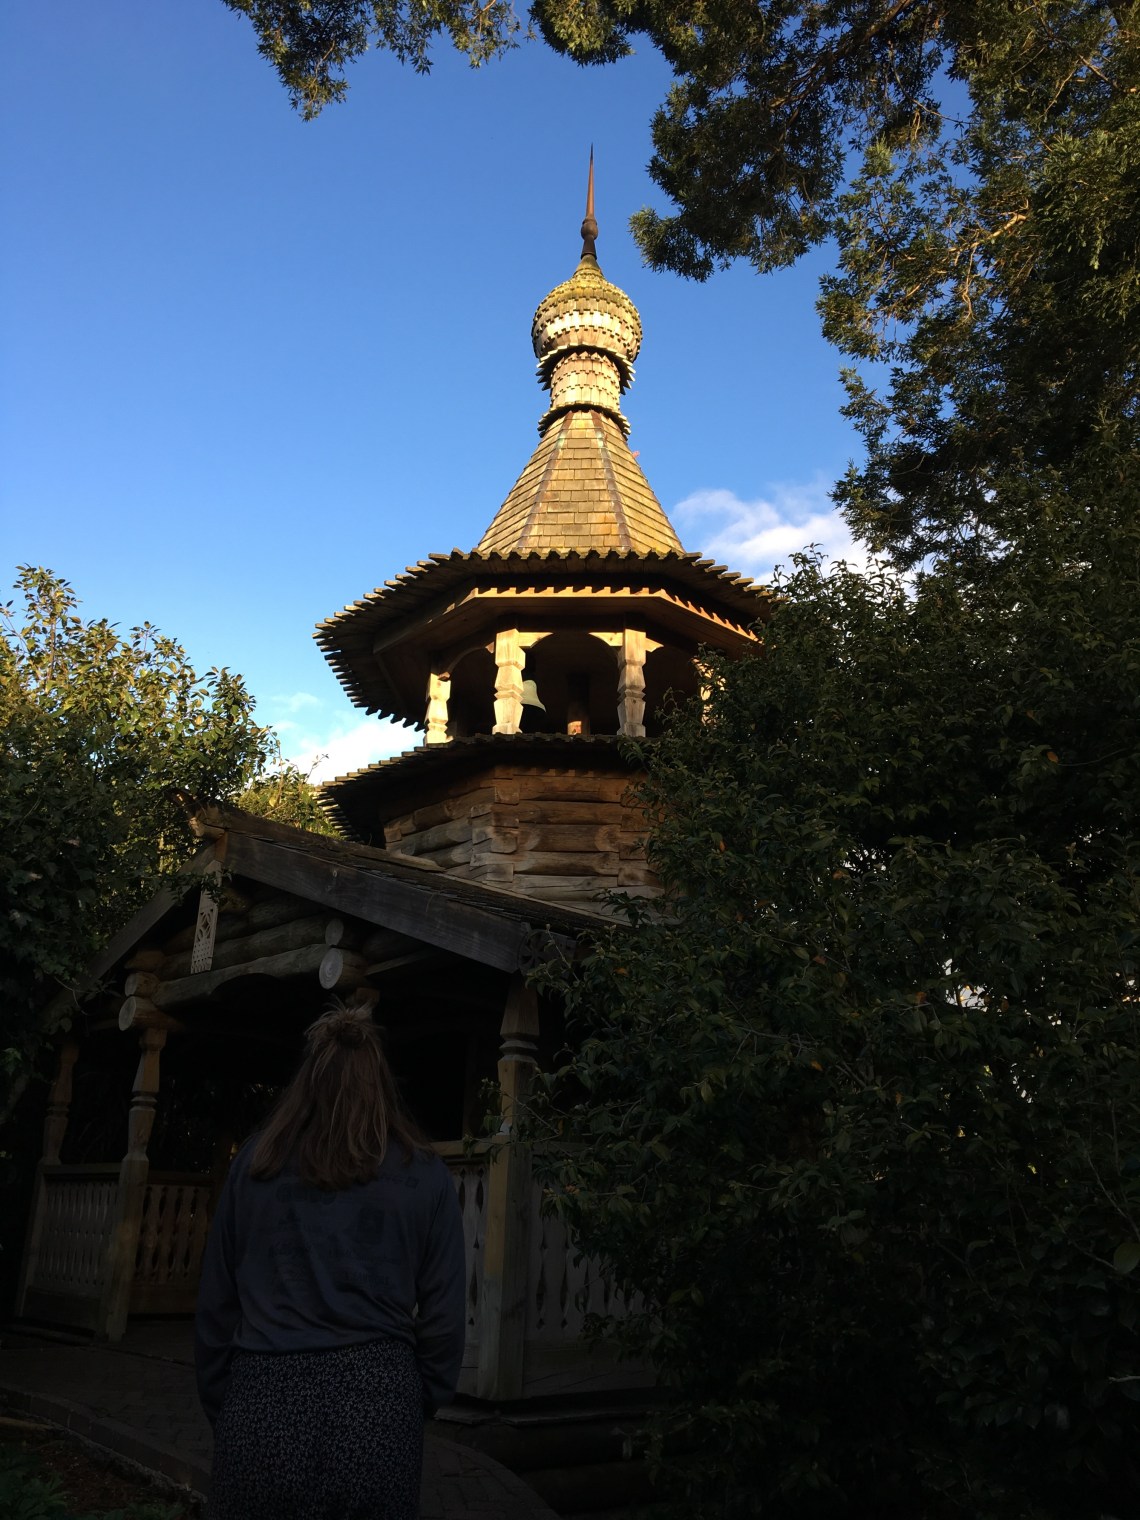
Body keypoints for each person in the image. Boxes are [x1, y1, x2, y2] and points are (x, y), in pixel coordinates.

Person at [195, 999, 467, 1519]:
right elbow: (445, 1319)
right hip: (378, 1409)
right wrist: (409, 1404)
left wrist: (230, 1407)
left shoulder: (254, 1164)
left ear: (307, 1082)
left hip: (262, 1403)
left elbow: (215, 1306)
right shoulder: (425, 1173)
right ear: (380, 1082)